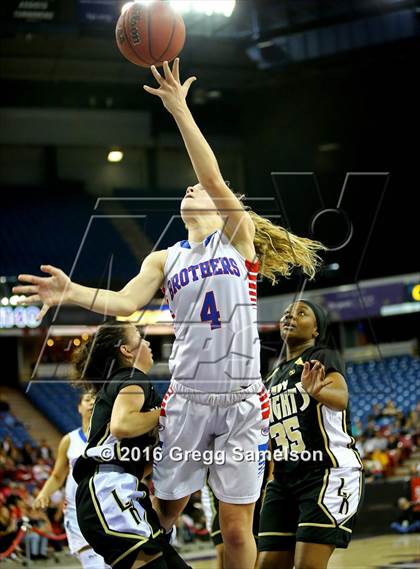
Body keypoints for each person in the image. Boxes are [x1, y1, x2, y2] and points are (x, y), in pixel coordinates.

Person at [13, 59, 324, 569]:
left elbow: (210, 173)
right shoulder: (165, 257)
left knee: (235, 527)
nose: (190, 189)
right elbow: (126, 303)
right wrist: (72, 291)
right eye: (187, 189)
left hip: (244, 399)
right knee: (164, 509)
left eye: (196, 189)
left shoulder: (236, 238)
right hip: (188, 396)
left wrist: (179, 109)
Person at [71, 322, 191, 569]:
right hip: (107, 489)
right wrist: (168, 412)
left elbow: (136, 460)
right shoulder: (131, 378)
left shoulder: (135, 385)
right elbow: (122, 424)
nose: (147, 343)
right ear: (126, 350)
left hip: (121, 489)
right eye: (140, 337)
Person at [258, 300, 364, 569]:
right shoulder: (272, 375)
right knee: (267, 563)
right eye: (285, 314)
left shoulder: (321, 356)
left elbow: (340, 398)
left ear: (316, 329)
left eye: (300, 313)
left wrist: (317, 391)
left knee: (308, 565)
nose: (289, 317)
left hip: (326, 471)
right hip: (283, 479)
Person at [33, 391, 109, 568]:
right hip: (77, 510)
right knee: (94, 565)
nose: (91, 403)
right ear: (79, 407)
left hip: (107, 507)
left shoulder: (112, 436)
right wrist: (43, 494)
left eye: (96, 400)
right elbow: (58, 475)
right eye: (87, 399)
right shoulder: (69, 440)